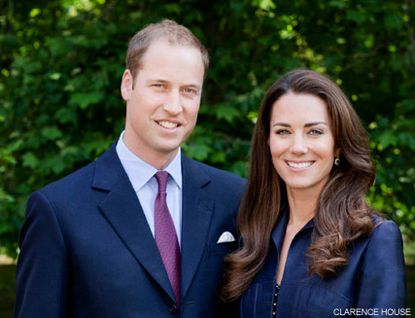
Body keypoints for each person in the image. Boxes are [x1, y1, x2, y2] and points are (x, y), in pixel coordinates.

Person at [15, 19, 245, 318]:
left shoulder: (233, 197)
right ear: (128, 84)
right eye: (159, 86)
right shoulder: (58, 211)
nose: (175, 106)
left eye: (189, 90)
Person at [222, 69, 407, 317]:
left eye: (315, 131)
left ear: (338, 145)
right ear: (267, 142)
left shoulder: (373, 240)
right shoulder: (250, 234)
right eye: (283, 131)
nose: (297, 147)